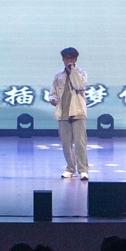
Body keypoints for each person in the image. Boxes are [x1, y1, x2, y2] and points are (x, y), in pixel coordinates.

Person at [49, 47, 89, 180]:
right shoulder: (58, 75)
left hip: (77, 111)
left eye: (72, 58)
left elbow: (79, 85)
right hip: (63, 112)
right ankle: (70, 169)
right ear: (63, 59)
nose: (69, 60)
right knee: (66, 143)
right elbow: (53, 92)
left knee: (80, 143)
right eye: (67, 58)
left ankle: (83, 170)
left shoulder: (81, 72)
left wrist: (72, 71)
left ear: (76, 59)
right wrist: (53, 99)